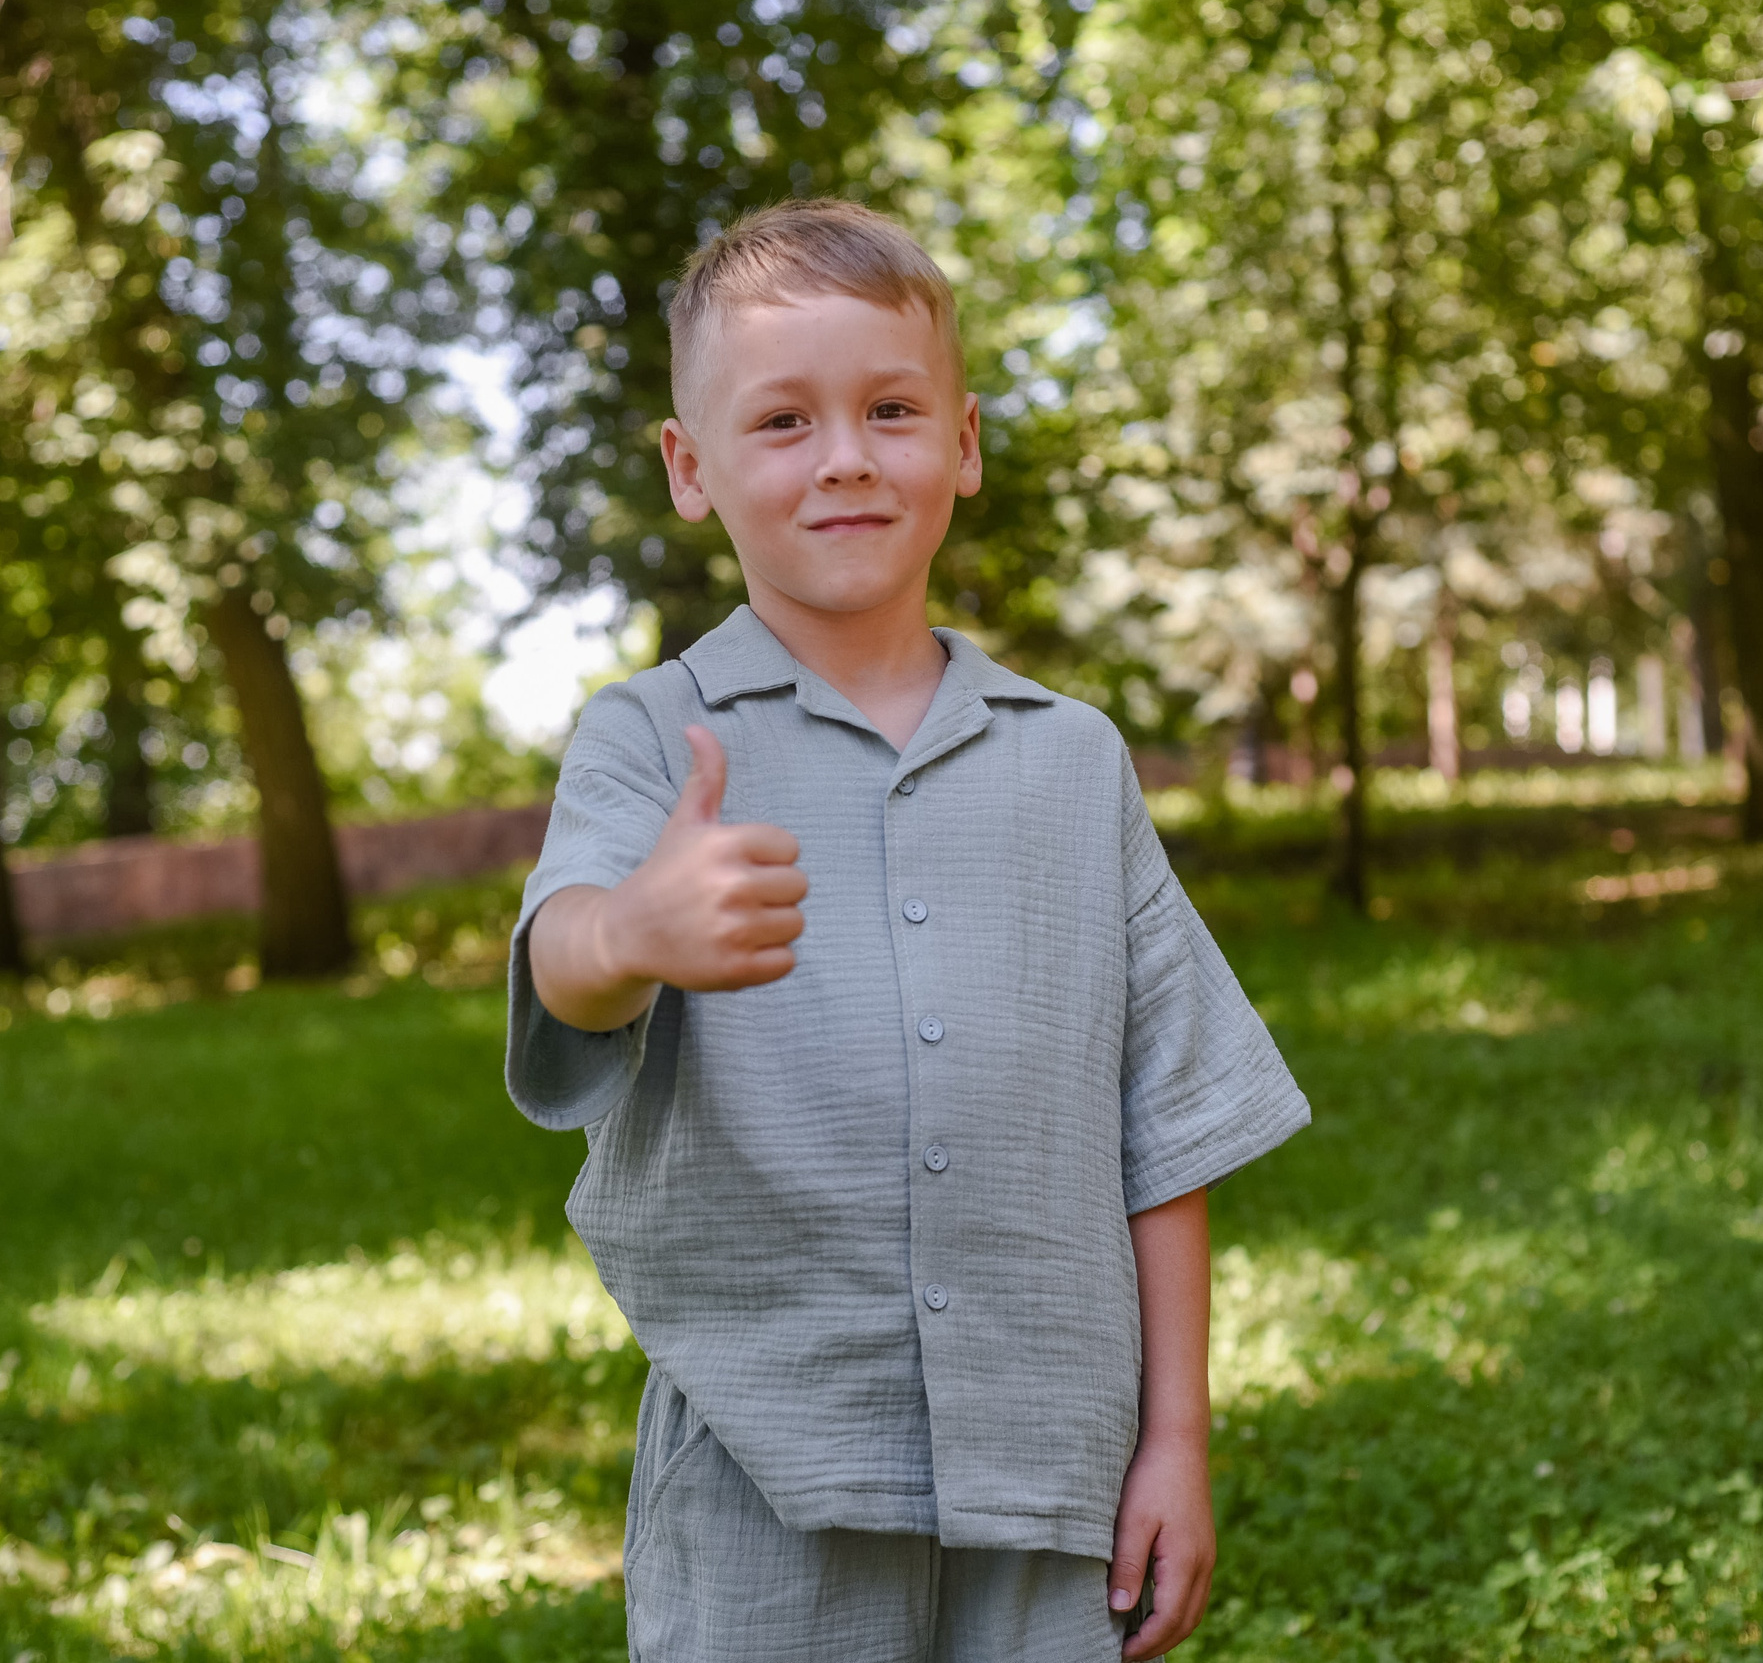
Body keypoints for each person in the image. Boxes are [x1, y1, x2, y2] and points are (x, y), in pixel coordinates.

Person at [506, 199, 1311, 1662]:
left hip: (1053, 1469)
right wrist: (630, 929)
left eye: (890, 409)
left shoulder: (1074, 760)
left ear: (965, 442)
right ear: (690, 468)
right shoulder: (653, 737)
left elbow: (1164, 1125)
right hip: (766, 1459)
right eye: (783, 421)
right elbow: (565, 966)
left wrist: (1177, 1440)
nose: (846, 457)